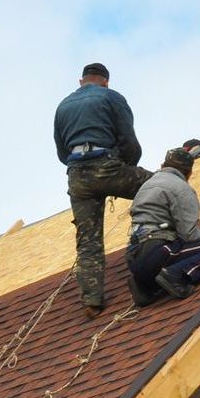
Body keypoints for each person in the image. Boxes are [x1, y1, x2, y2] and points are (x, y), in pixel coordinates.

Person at [54, 63, 153, 317]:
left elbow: (62, 152)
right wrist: (124, 169)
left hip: (77, 177)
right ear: (106, 82)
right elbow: (129, 141)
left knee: (88, 241)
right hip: (107, 165)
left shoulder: (63, 106)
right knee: (158, 185)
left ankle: (92, 301)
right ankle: (167, 242)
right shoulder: (111, 97)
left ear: (81, 82)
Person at [126, 147, 200, 306]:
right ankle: (175, 275)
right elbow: (189, 234)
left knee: (171, 255)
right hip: (158, 250)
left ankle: (146, 286)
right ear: (189, 173)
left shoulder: (146, 186)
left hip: (134, 258)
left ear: (163, 166)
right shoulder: (181, 188)